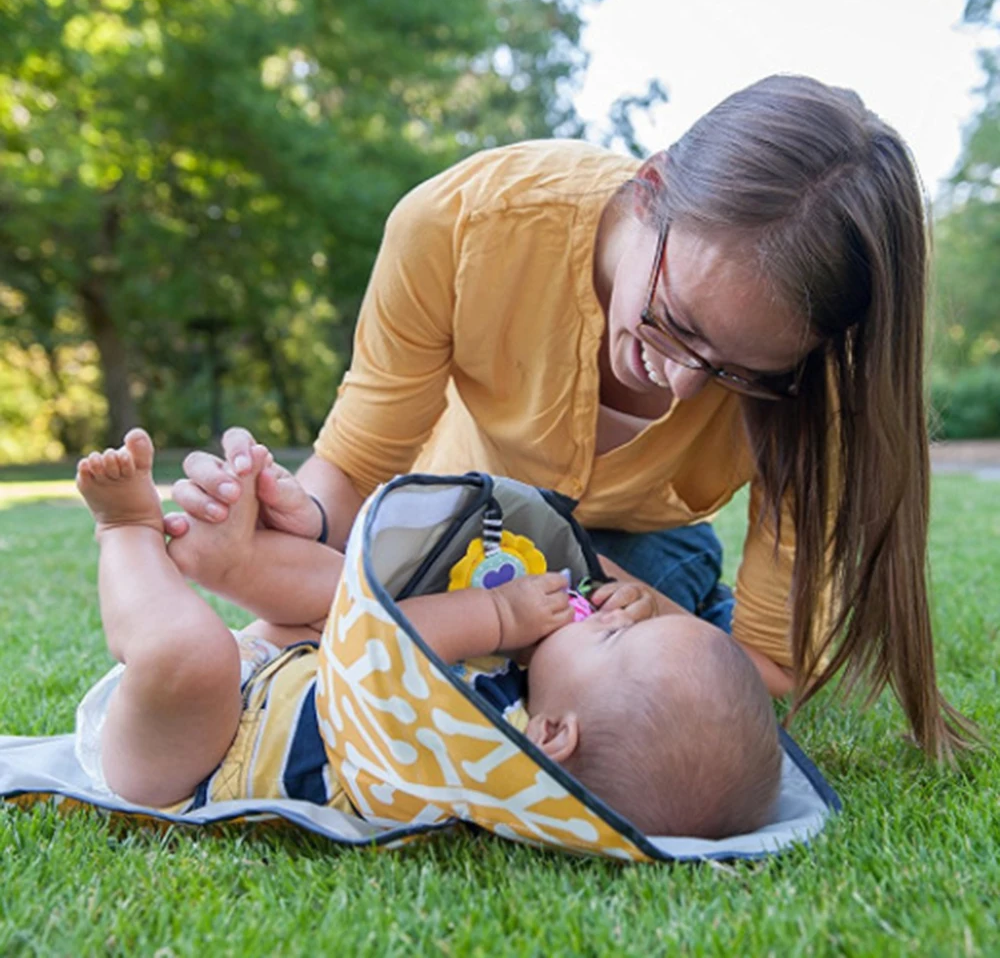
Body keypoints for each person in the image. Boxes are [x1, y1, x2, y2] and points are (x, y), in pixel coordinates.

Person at [165, 74, 975, 760]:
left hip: (636, 556)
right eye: (676, 321)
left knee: (608, 704)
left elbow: (771, 671)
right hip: (444, 522)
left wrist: (658, 622)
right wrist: (293, 517)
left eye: (740, 374)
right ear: (652, 187)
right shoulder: (459, 227)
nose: (685, 385)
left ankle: (681, 604)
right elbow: (353, 470)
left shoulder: (820, 385)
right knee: (353, 615)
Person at [75, 429, 781, 838]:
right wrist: (606, 609)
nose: (615, 614)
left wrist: (499, 617)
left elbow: (376, 644)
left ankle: (126, 535)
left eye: (615, 636)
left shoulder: (481, 767)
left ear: (555, 736)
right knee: (350, 587)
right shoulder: (526, 697)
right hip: (281, 677)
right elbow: (359, 612)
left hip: (194, 760)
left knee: (189, 655)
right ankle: (237, 563)